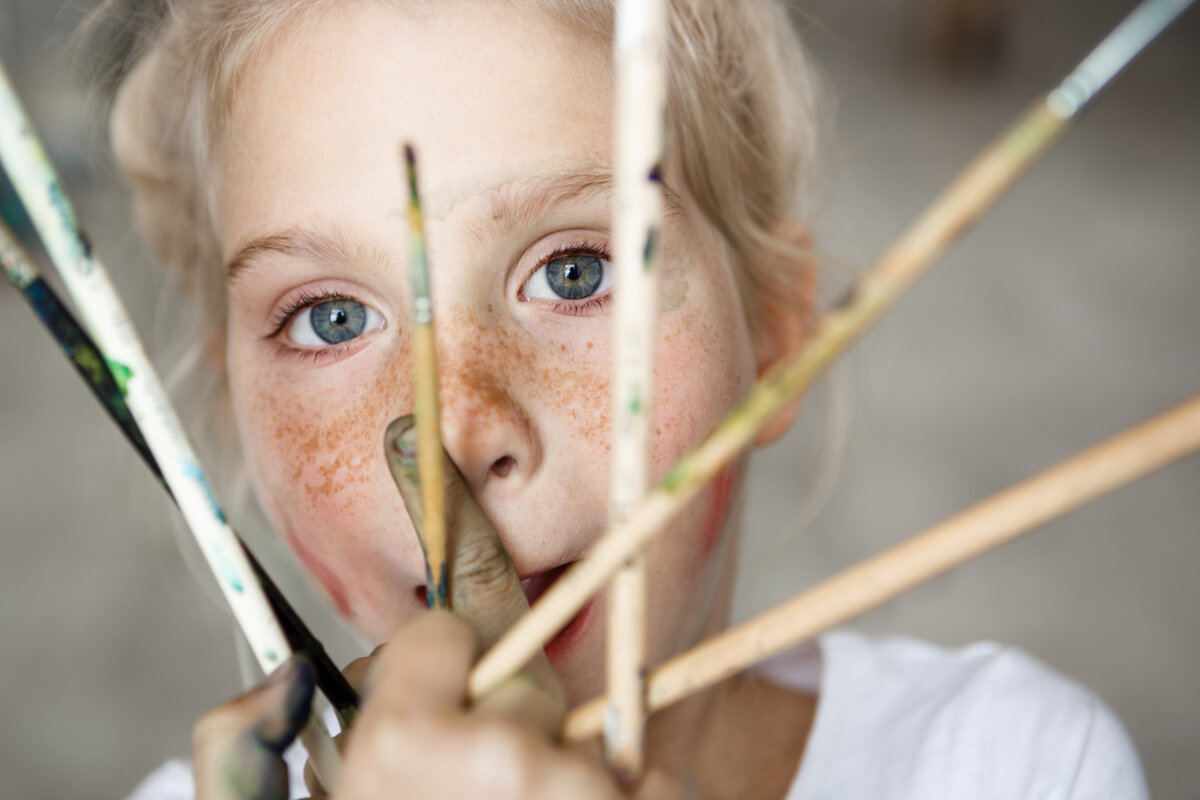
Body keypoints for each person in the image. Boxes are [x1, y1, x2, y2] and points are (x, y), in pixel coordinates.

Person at [89, 0, 1147, 797]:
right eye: (329, 317)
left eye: (575, 272)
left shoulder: (1015, 762)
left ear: (778, 332)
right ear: (227, 406)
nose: (455, 426)